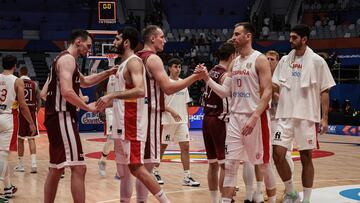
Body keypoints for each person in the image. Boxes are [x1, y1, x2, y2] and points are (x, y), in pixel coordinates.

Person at [199, 22, 273, 203]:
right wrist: (207, 78)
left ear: (248, 36)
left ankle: (268, 197)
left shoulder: (259, 59)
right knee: (231, 165)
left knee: (262, 164)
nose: (233, 37)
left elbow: (268, 91)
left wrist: (255, 116)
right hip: (235, 118)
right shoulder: (234, 63)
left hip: (255, 117)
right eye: (233, 33)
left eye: (237, 33)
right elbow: (224, 92)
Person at [95, 26, 171, 203]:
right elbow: (119, 97)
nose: (114, 42)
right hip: (121, 124)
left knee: (137, 167)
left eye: (117, 39)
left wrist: (112, 95)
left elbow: (140, 90)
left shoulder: (134, 62)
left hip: (132, 124)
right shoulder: (121, 65)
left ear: (127, 42)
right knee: (123, 173)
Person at [43, 29, 117, 203]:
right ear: (78, 42)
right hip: (63, 116)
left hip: (56, 117)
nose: (89, 50)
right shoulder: (68, 59)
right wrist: (87, 107)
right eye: (88, 46)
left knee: (56, 169)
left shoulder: (63, 59)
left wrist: (108, 72)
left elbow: (85, 82)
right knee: (79, 167)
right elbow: (67, 92)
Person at [135, 24, 205, 201]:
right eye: (161, 37)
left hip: (141, 114)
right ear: (152, 38)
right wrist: (195, 77)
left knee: (139, 165)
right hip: (153, 116)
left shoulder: (136, 58)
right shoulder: (152, 59)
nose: (164, 40)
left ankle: (184, 176)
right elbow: (167, 88)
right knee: (144, 166)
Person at [272, 24, 336, 203]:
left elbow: (325, 90)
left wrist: (324, 118)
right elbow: (275, 84)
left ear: (304, 39)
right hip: (284, 115)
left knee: (306, 157)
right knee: (277, 153)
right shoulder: (285, 60)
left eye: (294, 37)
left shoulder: (317, 61)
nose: (290, 40)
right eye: (290, 37)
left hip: (306, 117)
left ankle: (306, 199)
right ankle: (292, 191)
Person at [153, 57, 200, 187]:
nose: (178, 69)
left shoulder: (183, 83)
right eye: (175, 67)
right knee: (162, 147)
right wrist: (171, 111)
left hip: (182, 122)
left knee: (185, 146)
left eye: (179, 67)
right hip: (166, 121)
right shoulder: (164, 82)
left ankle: (187, 176)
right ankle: (155, 171)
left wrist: (188, 119)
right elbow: (159, 102)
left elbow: (186, 102)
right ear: (169, 68)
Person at [202, 42, 235, 203]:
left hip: (206, 119)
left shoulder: (212, 70)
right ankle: (224, 200)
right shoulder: (226, 75)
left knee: (213, 164)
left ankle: (215, 200)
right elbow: (225, 94)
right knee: (225, 165)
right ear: (232, 56)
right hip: (220, 120)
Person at [0, 55, 36, 202]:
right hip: (7, 117)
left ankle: (8, 188)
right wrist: (31, 123)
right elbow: (22, 104)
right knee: (2, 155)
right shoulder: (17, 80)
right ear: (15, 65)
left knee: (1, 155)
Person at [13, 66, 41, 174]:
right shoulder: (35, 84)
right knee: (31, 139)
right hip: (32, 114)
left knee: (20, 139)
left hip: (20, 114)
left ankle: (21, 165)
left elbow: (14, 99)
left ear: (20, 73)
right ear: (28, 73)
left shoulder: (17, 83)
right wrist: (36, 112)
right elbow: (39, 101)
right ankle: (34, 164)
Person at [95, 73, 116, 177]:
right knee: (111, 138)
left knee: (122, 141)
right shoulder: (109, 77)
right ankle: (103, 160)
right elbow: (97, 90)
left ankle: (120, 168)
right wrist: (101, 108)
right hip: (111, 110)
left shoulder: (129, 75)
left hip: (124, 109)